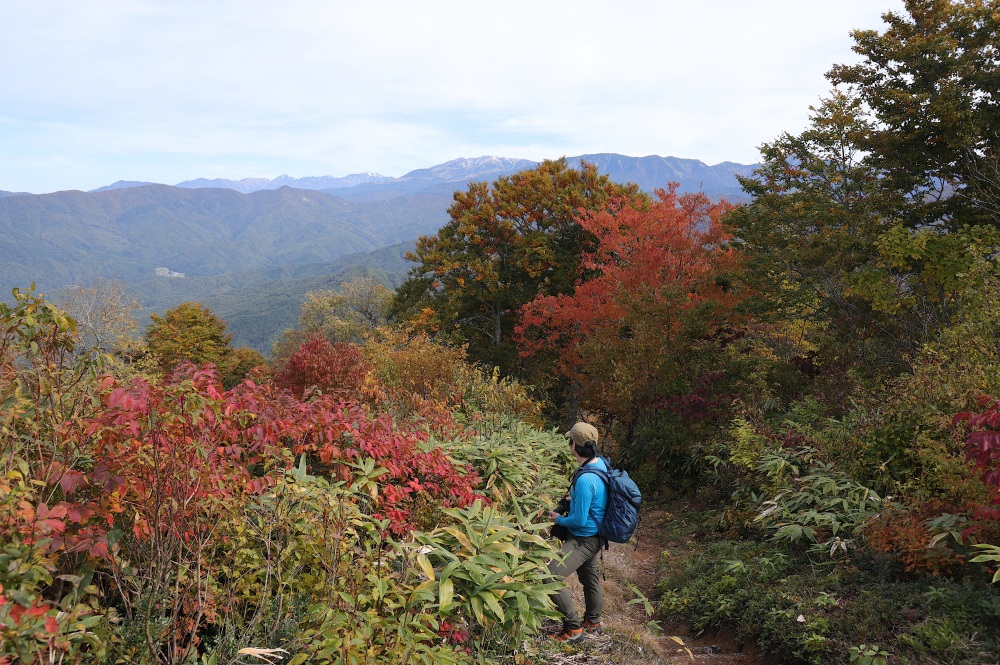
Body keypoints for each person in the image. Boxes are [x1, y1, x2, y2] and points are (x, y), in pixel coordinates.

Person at [547, 422, 609, 643]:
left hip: (583, 538)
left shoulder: (585, 479)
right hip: (596, 535)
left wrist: (558, 519)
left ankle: (573, 629)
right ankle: (593, 621)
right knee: (589, 578)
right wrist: (575, 499)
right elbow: (595, 497)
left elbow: (579, 520)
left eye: (569, 441)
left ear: (574, 445)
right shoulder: (600, 465)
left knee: (550, 576)